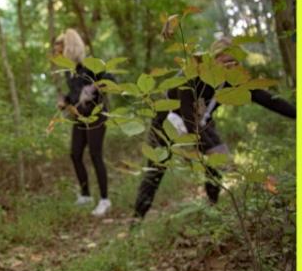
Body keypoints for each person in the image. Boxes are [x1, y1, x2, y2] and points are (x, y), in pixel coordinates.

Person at [134, 36, 295, 218]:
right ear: (213, 59)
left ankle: (212, 212)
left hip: (199, 121)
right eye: (224, 60)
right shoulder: (192, 76)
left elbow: (267, 99)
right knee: (155, 173)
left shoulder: (233, 79)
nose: (229, 66)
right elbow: (189, 120)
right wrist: (217, 155)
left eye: (234, 62)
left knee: (215, 172)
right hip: (167, 124)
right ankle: (136, 221)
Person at [54, 28, 109, 217]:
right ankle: (85, 195)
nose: (57, 54)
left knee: (95, 155)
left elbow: (110, 80)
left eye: (60, 50)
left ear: (69, 47)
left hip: (96, 115)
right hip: (79, 117)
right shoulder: (69, 72)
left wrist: (93, 88)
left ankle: (104, 200)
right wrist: (66, 101)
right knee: (75, 154)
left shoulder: (89, 65)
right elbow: (74, 94)